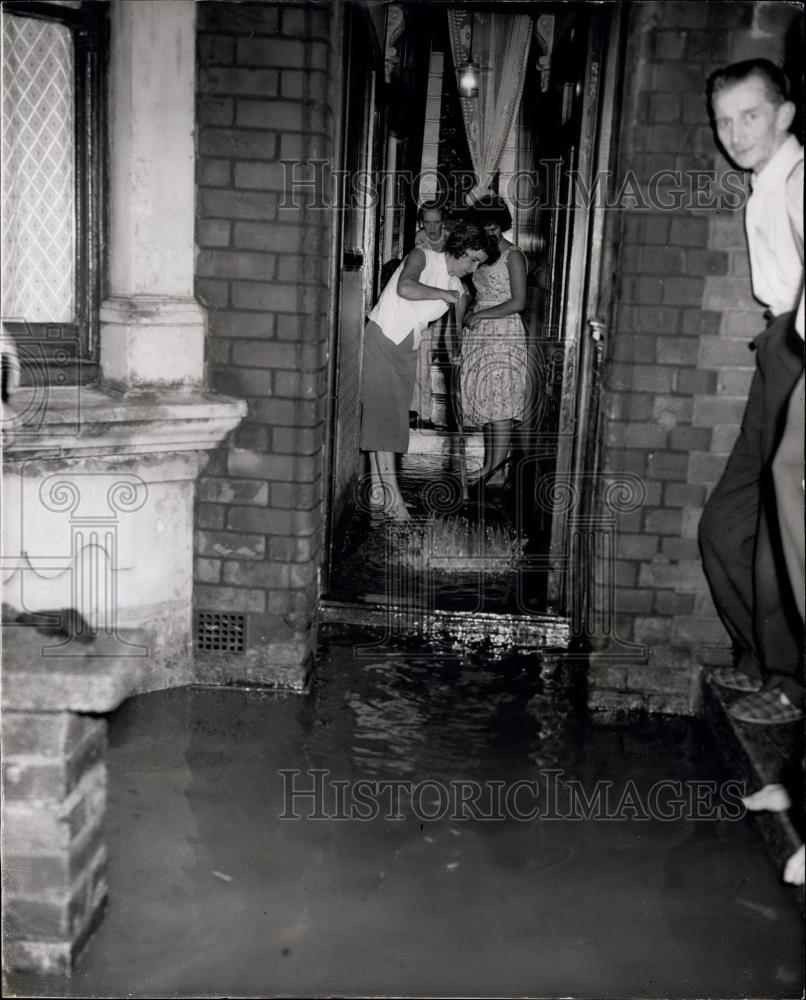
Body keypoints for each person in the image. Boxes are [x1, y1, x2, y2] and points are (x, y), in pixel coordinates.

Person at [698, 59, 804, 726]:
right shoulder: (766, 182)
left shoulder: (798, 179)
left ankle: (793, 683)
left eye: (750, 116)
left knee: (785, 531)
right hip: (778, 351)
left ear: (784, 116)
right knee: (727, 526)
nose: (734, 133)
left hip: (799, 353)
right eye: (724, 121)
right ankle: (761, 660)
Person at [360, 221, 498, 520]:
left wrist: (457, 357)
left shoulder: (458, 287)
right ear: (460, 248)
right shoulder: (422, 256)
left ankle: (378, 491)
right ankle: (394, 500)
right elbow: (405, 287)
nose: (473, 269)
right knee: (385, 420)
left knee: (388, 418)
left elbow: (453, 331)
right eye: (473, 260)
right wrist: (442, 294)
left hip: (407, 350)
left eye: (479, 264)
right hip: (383, 339)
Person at [457, 194, 529, 487]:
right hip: (482, 332)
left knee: (501, 402)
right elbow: (479, 293)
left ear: (502, 225)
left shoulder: (514, 255)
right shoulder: (484, 254)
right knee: (488, 400)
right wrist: (472, 310)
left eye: (494, 227)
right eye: (485, 227)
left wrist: (482, 316)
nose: (490, 233)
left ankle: (497, 469)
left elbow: (519, 302)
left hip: (504, 333)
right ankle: (491, 467)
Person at [410, 201, 452, 428]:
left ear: (443, 222)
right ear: (421, 222)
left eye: (436, 222)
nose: (432, 227)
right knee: (422, 355)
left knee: (438, 353)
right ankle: (421, 411)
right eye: (427, 222)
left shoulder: (450, 241)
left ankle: (426, 411)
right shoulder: (419, 240)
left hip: (445, 303)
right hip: (423, 303)